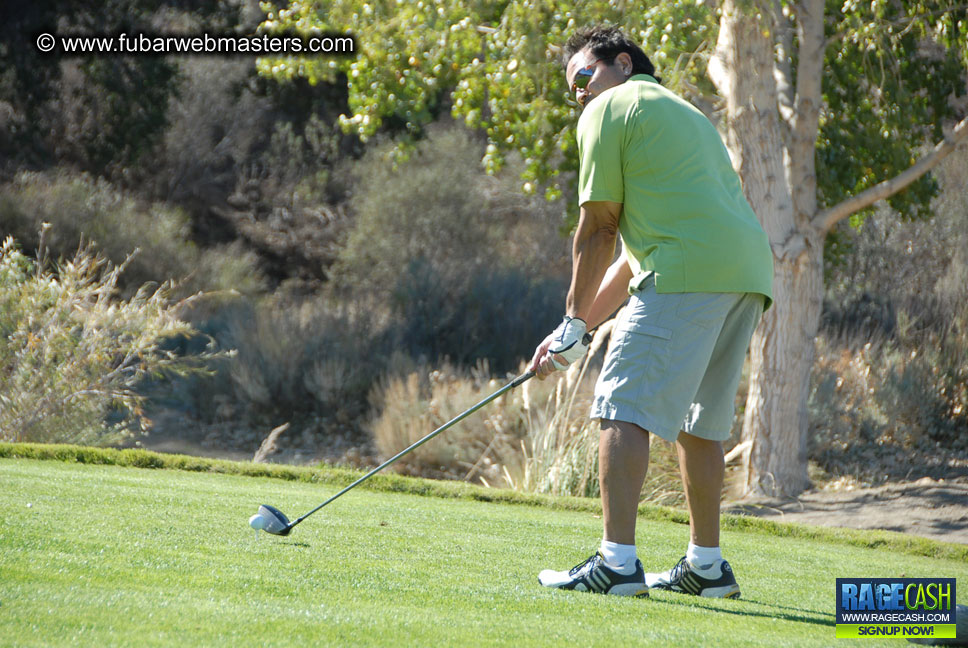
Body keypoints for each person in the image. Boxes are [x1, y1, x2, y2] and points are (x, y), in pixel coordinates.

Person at [529, 24, 774, 599]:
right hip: (743, 276)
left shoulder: (611, 107)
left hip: (689, 271)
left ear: (620, 63)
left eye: (584, 77)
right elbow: (636, 258)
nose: (580, 93)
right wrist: (581, 324)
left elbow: (599, 228)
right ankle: (707, 568)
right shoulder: (683, 113)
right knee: (699, 425)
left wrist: (570, 319)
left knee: (620, 406)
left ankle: (616, 564)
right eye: (574, 88)